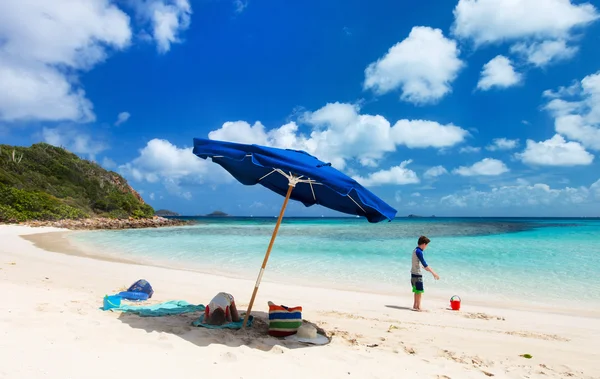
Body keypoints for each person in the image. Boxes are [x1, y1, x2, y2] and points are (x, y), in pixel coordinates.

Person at [411, 235, 440, 311]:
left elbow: (416, 261)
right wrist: (434, 273)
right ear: (423, 244)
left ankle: (415, 305)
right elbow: (425, 264)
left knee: (416, 290)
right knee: (419, 291)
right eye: (426, 245)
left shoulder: (415, 250)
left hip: (413, 273)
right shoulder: (419, 252)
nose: (426, 247)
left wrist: (422, 267)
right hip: (417, 274)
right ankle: (419, 307)